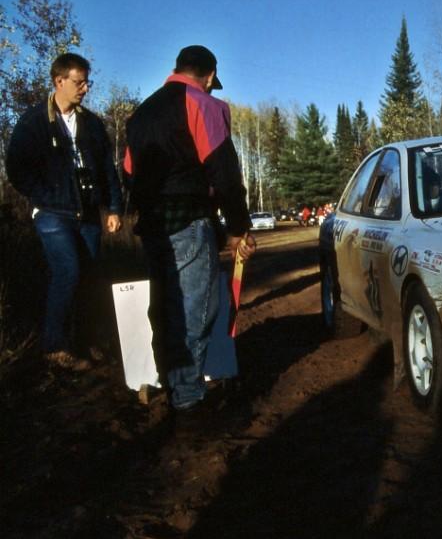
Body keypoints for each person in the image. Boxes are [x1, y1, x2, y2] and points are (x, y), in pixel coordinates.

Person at [124, 45, 256, 413]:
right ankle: (188, 401)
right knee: (195, 311)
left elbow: (129, 172)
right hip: (188, 219)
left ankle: (172, 385)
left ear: (176, 69)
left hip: (152, 225)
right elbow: (224, 172)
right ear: (210, 76)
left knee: (165, 309)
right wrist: (238, 226)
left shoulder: (141, 114)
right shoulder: (203, 104)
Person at [5, 52, 123, 372]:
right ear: (59, 81)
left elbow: (107, 170)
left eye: (87, 82)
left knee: (89, 276)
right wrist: (47, 195)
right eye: (79, 81)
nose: (85, 88)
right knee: (67, 270)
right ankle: (54, 346)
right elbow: (16, 168)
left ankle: (84, 341)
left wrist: (113, 207)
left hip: (87, 213)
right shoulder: (33, 121)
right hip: (52, 214)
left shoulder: (92, 124)